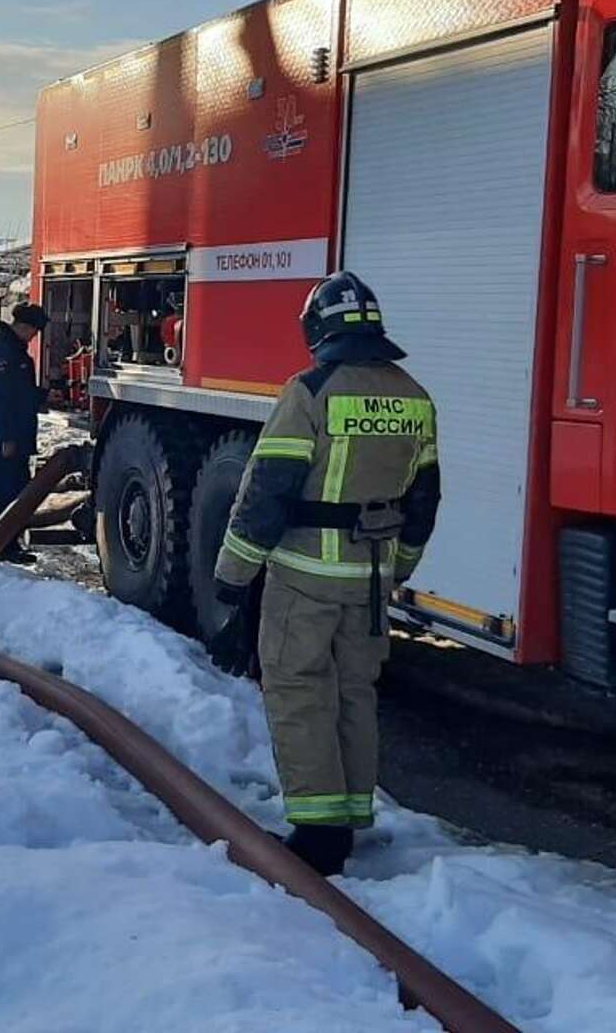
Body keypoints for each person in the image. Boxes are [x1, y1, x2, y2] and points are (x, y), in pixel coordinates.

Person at [208, 271, 441, 877]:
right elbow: (425, 500)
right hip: (369, 580)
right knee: (354, 693)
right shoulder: (414, 396)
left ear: (317, 329)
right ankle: (351, 813)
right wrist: (399, 569)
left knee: (300, 692)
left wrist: (233, 574)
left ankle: (317, 835)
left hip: (304, 578)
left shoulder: (309, 391)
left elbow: (266, 493)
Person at [0, 301, 50, 561]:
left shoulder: (13, 351)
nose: (34, 337)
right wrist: (5, 436)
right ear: (22, 326)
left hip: (17, 434)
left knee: (17, 489)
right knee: (4, 491)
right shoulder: (1, 354)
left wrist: (43, 397)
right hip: (6, 437)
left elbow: (20, 392)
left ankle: (9, 543)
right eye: (33, 331)